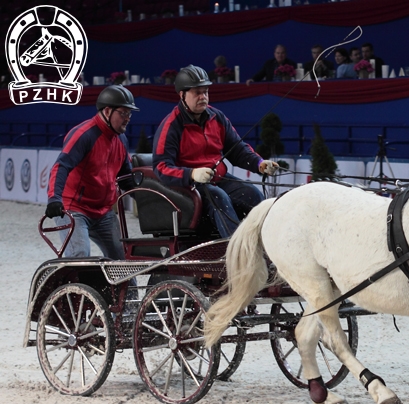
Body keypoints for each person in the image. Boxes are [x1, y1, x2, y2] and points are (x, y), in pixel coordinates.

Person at [153, 65, 278, 238]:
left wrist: (259, 163)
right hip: (189, 187)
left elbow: (237, 149)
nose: (203, 97)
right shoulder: (171, 126)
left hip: (217, 179)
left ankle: (265, 246)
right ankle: (236, 252)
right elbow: (160, 168)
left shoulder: (217, 117)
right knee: (219, 198)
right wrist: (192, 174)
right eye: (197, 92)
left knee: (253, 194)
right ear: (182, 95)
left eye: (205, 92)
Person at [45, 85, 138, 259]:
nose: (128, 118)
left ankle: (124, 288)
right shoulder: (83, 135)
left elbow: (126, 177)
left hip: (103, 212)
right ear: (108, 111)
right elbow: (61, 166)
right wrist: (54, 198)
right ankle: (72, 286)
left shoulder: (121, 138)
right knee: (80, 255)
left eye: (129, 114)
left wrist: (146, 198)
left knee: (123, 262)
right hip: (74, 208)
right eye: (124, 113)